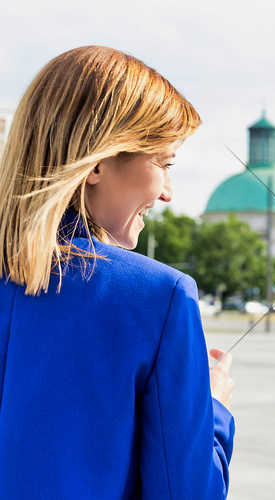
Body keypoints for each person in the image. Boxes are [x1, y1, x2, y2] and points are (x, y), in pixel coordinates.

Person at [0, 46, 234, 499]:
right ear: (98, 163)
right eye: (163, 164)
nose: (168, 192)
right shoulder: (159, 296)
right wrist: (214, 409)